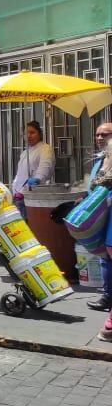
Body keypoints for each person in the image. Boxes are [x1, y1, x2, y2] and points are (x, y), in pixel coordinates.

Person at [85, 122, 112, 313]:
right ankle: (107, 296)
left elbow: (102, 185)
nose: (100, 138)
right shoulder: (99, 161)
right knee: (105, 258)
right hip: (102, 216)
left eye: (106, 134)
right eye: (97, 135)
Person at [11, 120, 55, 214]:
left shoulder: (45, 149)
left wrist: (37, 179)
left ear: (39, 133)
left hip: (33, 196)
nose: (29, 136)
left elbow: (45, 168)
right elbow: (19, 174)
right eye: (25, 133)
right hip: (18, 196)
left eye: (32, 132)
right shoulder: (24, 153)